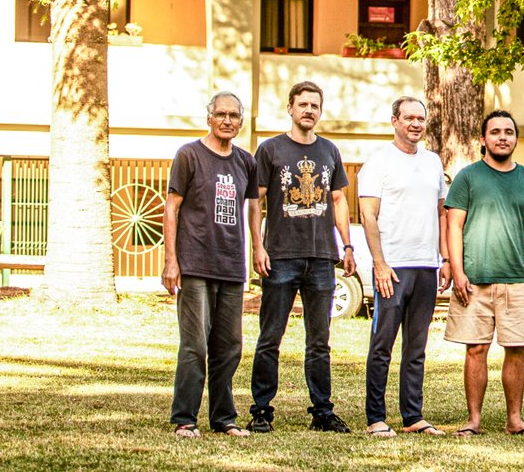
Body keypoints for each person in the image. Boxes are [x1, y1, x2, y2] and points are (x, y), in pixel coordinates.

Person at [248, 81, 355, 434]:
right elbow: (256, 201)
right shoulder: (270, 149)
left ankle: (322, 412)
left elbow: (338, 200)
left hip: (322, 258)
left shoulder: (329, 150)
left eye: (315, 105)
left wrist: (348, 246)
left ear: (320, 111)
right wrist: (258, 246)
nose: (309, 110)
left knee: (319, 342)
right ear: (290, 108)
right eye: (303, 104)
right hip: (280, 257)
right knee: (270, 338)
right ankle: (261, 410)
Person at [446, 110, 524, 437]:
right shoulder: (468, 177)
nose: (502, 137)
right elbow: (454, 225)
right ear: (483, 139)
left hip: (519, 280)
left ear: (516, 138)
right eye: (495, 132)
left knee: (517, 349)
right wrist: (458, 271)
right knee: (475, 349)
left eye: (508, 132)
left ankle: (515, 420)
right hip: (474, 281)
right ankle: (473, 420)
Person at [163, 92, 258, 439]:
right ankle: (185, 418)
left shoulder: (246, 162)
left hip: (231, 266)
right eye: (221, 114)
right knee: (195, 345)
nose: (227, 121)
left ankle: (224, 418)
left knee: (229, 347)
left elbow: (253, 208)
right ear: (209, 118)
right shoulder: (189, 155)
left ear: (241, 122)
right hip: (194, 264)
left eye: (233, 115)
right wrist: (171, 261)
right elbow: (171, 207)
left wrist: (258, 248)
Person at [358, 96, 450, 438]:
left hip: (426, 266)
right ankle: (376, 418)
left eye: (420, 119)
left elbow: (441, 213)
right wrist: (379, 264)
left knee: (416, 347)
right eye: (409, 118)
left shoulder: (433, 162)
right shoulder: (378, 161)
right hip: (393, 267)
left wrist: (445, 259)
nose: (415, 124)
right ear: (394, 121)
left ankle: (413, 416)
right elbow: (368, 215)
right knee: (382, 345)